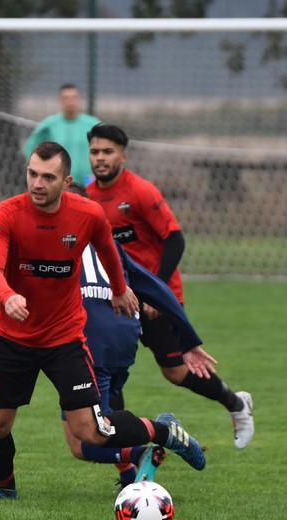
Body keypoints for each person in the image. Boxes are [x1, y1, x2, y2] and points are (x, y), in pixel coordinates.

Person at [0, 141, 207, 501]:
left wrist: (118, 288)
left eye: (47, 177)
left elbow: (107, 249)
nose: (37, 183)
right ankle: (5, 490)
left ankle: (163, 432)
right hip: (13, 338)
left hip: (64, 340)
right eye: (32, 174)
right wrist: (7, 295)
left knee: (91, 433)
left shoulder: (87, 214)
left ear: (65, 181)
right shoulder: (6, 213)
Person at [86, 122, 255, 449]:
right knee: (110, 371)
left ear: (123, 155)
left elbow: (175, 240)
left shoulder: (140, 191)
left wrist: (155, 293)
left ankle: (236, 404)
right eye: (95, 152)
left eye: (107, 151)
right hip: (118, 299)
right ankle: (125, 460)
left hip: (155, 299)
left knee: (176, 372)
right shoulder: (89, 197)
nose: (100, 158)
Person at [62, 181, 219, 488]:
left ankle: (160, 434)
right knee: (87, 435)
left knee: (89, 440)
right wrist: (188, 340)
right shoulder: (109, 244)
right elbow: (158, 288)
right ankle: (131, 478)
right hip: (122, 336)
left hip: (92, 343)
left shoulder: (61, 242)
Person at [24, 84, 101, 187]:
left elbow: (105, 150)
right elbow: (31, 147)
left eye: (74, 97)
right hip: (59, 184)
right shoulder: (49, 125)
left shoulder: (93, 124)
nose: (70, 101)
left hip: (88, 183)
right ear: (60, 101)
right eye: (66, 98)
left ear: (79, 99)